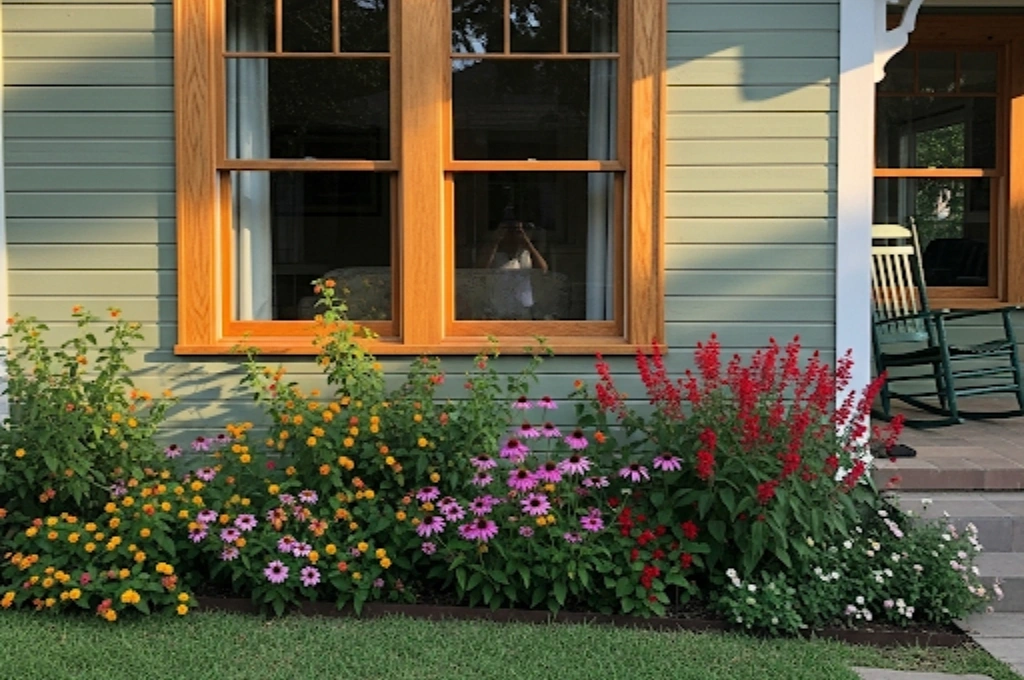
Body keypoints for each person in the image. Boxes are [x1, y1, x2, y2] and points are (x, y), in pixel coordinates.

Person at [482, 220, 548, 318]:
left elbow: (543, 270)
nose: (512, 236)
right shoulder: (494, 255)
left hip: (523, 309)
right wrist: (496, 241)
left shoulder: (526, 254)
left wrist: (527, 242)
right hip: (498, 309)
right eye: (509, 231)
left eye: (516, 231)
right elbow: (481, 270)